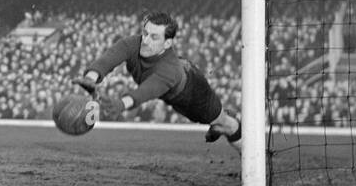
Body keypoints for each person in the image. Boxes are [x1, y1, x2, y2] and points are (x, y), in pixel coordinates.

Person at [71, 8, 242, 143]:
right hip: (172, 91)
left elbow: (147, 91)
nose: (145, 40)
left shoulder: (169, 71)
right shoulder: (132, 43)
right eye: (145, 33)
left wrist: (120, 104)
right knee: (204, 119)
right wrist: (90, 79)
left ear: (167, 43)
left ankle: (234, 136)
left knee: (222, 122)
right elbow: (108, 59)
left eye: (154, 37)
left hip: (193, 93)